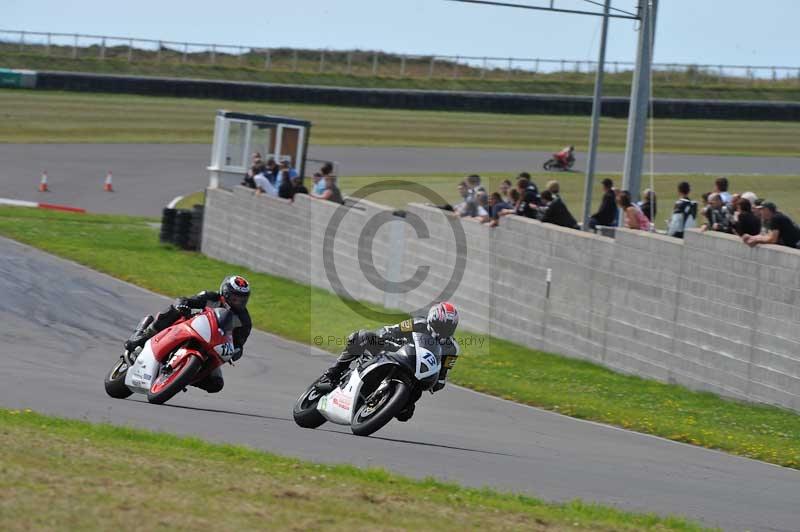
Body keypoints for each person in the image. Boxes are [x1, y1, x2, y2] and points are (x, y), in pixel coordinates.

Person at [315, 302, 461, 421]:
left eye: (449, 327)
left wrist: (438, 382)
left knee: (405, 413)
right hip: (397, 351)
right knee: (361, 337)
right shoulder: (418, 323)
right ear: (432, 319)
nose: (444, 330)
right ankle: (333, 373)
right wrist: (385, 336)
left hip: (417, 373)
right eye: (442, 326)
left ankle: (391, 402)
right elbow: (393, 329)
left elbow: (443, 374)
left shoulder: (452, 349)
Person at [123, 276, 253, 393]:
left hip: (212, 345)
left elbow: (239, 345)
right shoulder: (210, 297)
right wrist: (182, 305)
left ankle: (181, 377)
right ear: (225, 293)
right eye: (235, 298)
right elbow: (186, 300)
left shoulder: (244, 321)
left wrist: (235, 352)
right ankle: (143, 335)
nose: (238, 302)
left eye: (242, 299)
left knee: (216, 384)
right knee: (174, 311)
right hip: (192, 326)